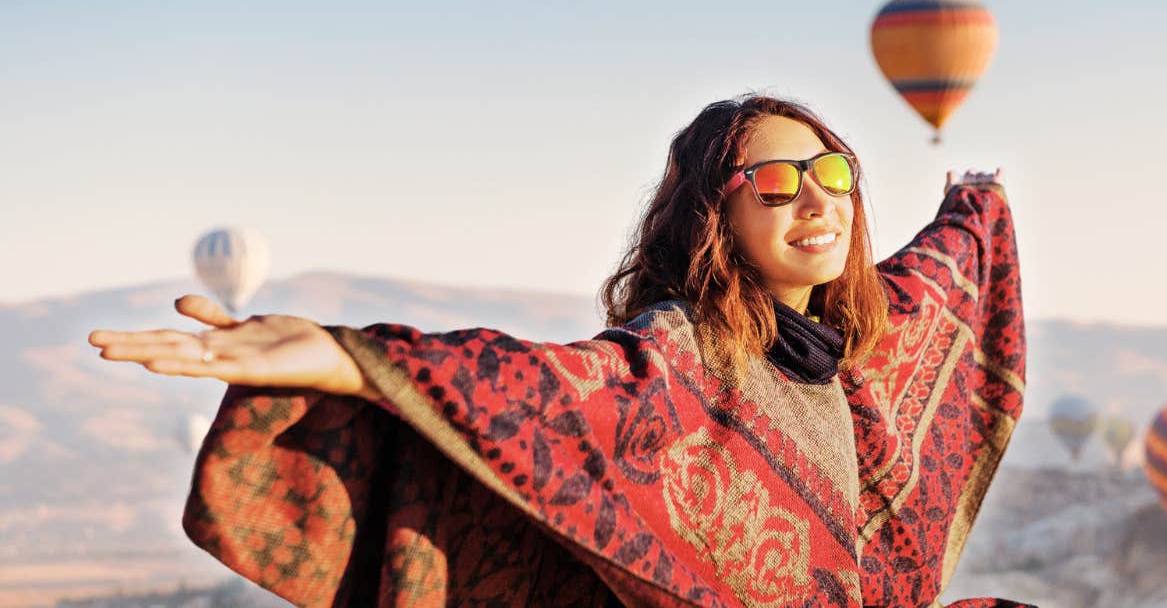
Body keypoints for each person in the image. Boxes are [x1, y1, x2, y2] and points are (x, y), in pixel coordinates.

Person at [90, 95, 1031, 608]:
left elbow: (944, 275)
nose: (819, 201)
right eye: (778, 182)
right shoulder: (685, 354)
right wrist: (349, 357)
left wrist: (974, 202)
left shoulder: (858, 342)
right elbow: (544, 391)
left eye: (834, 174)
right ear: (718, 213)